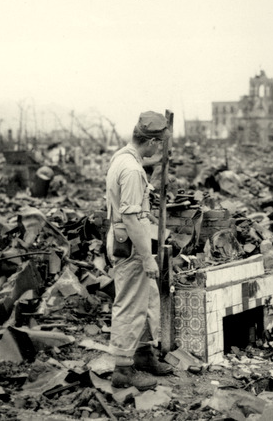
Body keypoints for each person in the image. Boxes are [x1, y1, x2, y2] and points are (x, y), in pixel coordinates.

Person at [105, 111, 173, 390]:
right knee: (131, 304)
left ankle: (144, 354)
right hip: (132, 245)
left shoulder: (124, 157)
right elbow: (132, 217)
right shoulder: (133, 171)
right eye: (160, 144)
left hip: (131, 240)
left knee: (148, 300)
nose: (160, 148)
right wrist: (147, 258)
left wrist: (161, 163)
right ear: (153, 142)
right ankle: (122, 369)